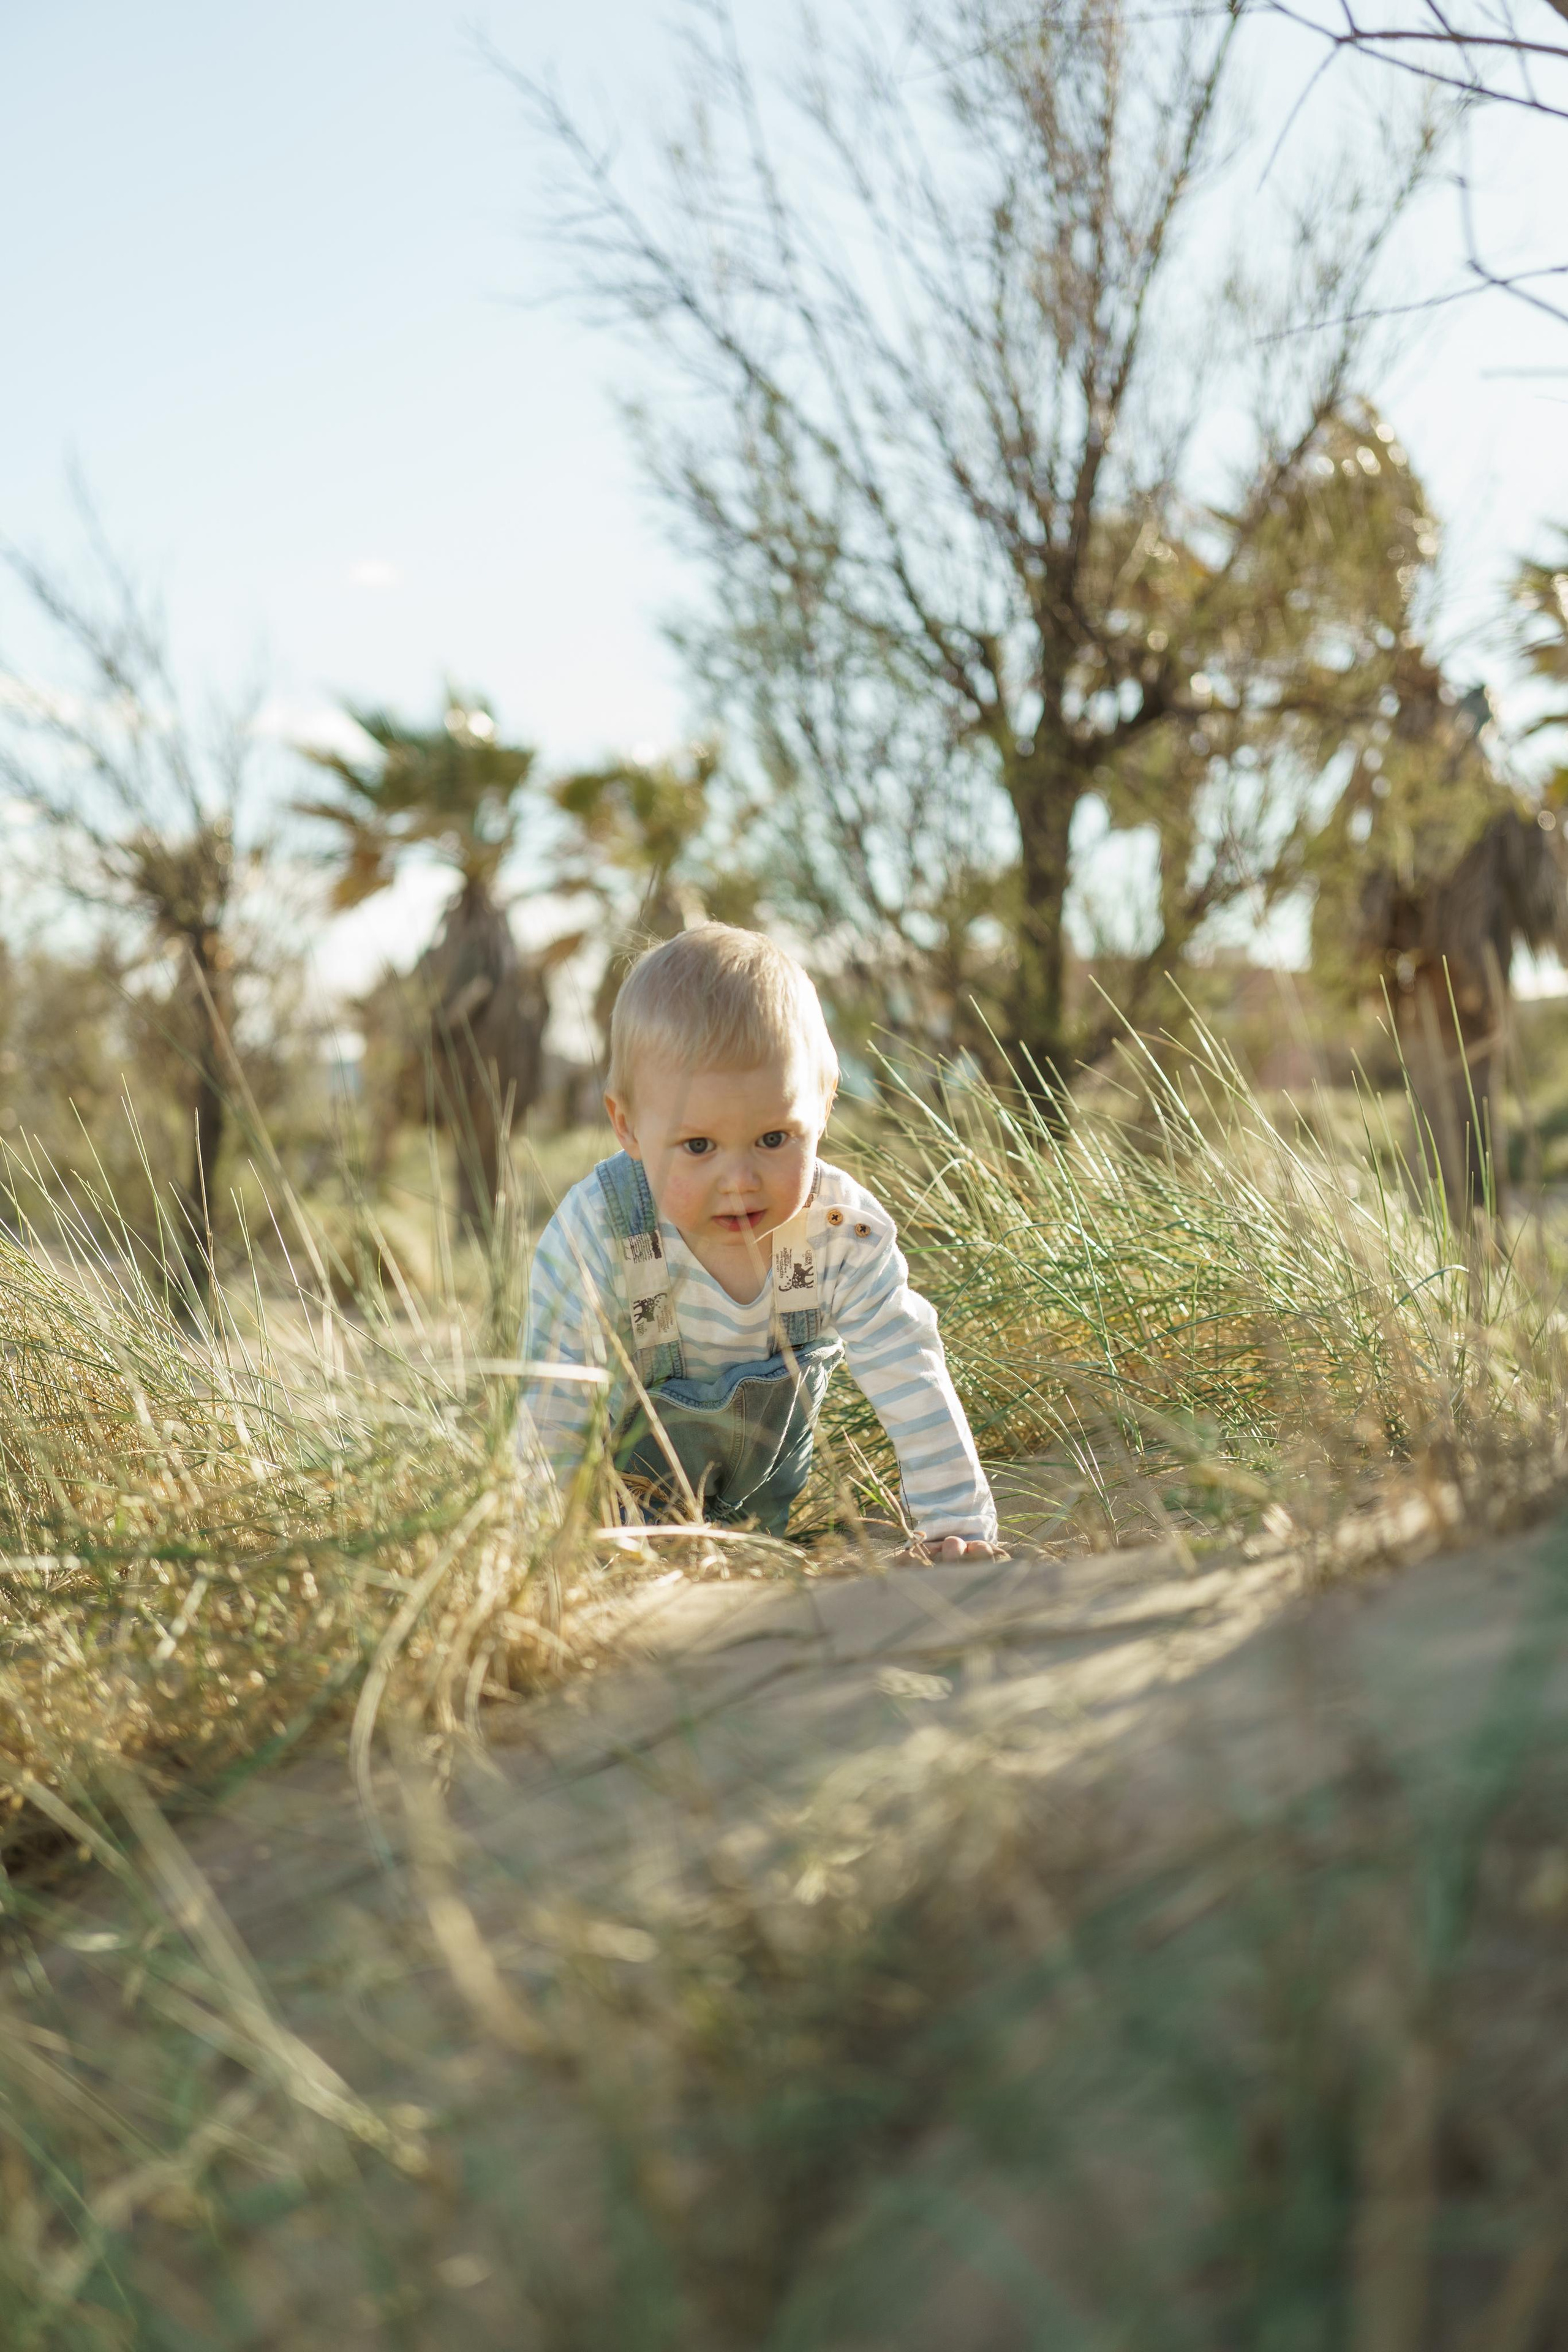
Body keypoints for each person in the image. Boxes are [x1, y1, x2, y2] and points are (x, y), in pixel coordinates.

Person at [519, 923, 1002, 1558]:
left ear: (824, 1106)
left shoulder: (838, 1236)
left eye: (774, 1139)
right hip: (617, 1537)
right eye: (698, 1147)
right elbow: (553, 1409)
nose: (740, 1182)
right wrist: (542, 1552)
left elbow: (907, 1372)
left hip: (759, 1540)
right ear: (627, 1126)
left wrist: (958, 1528)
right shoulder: (603, 1231)